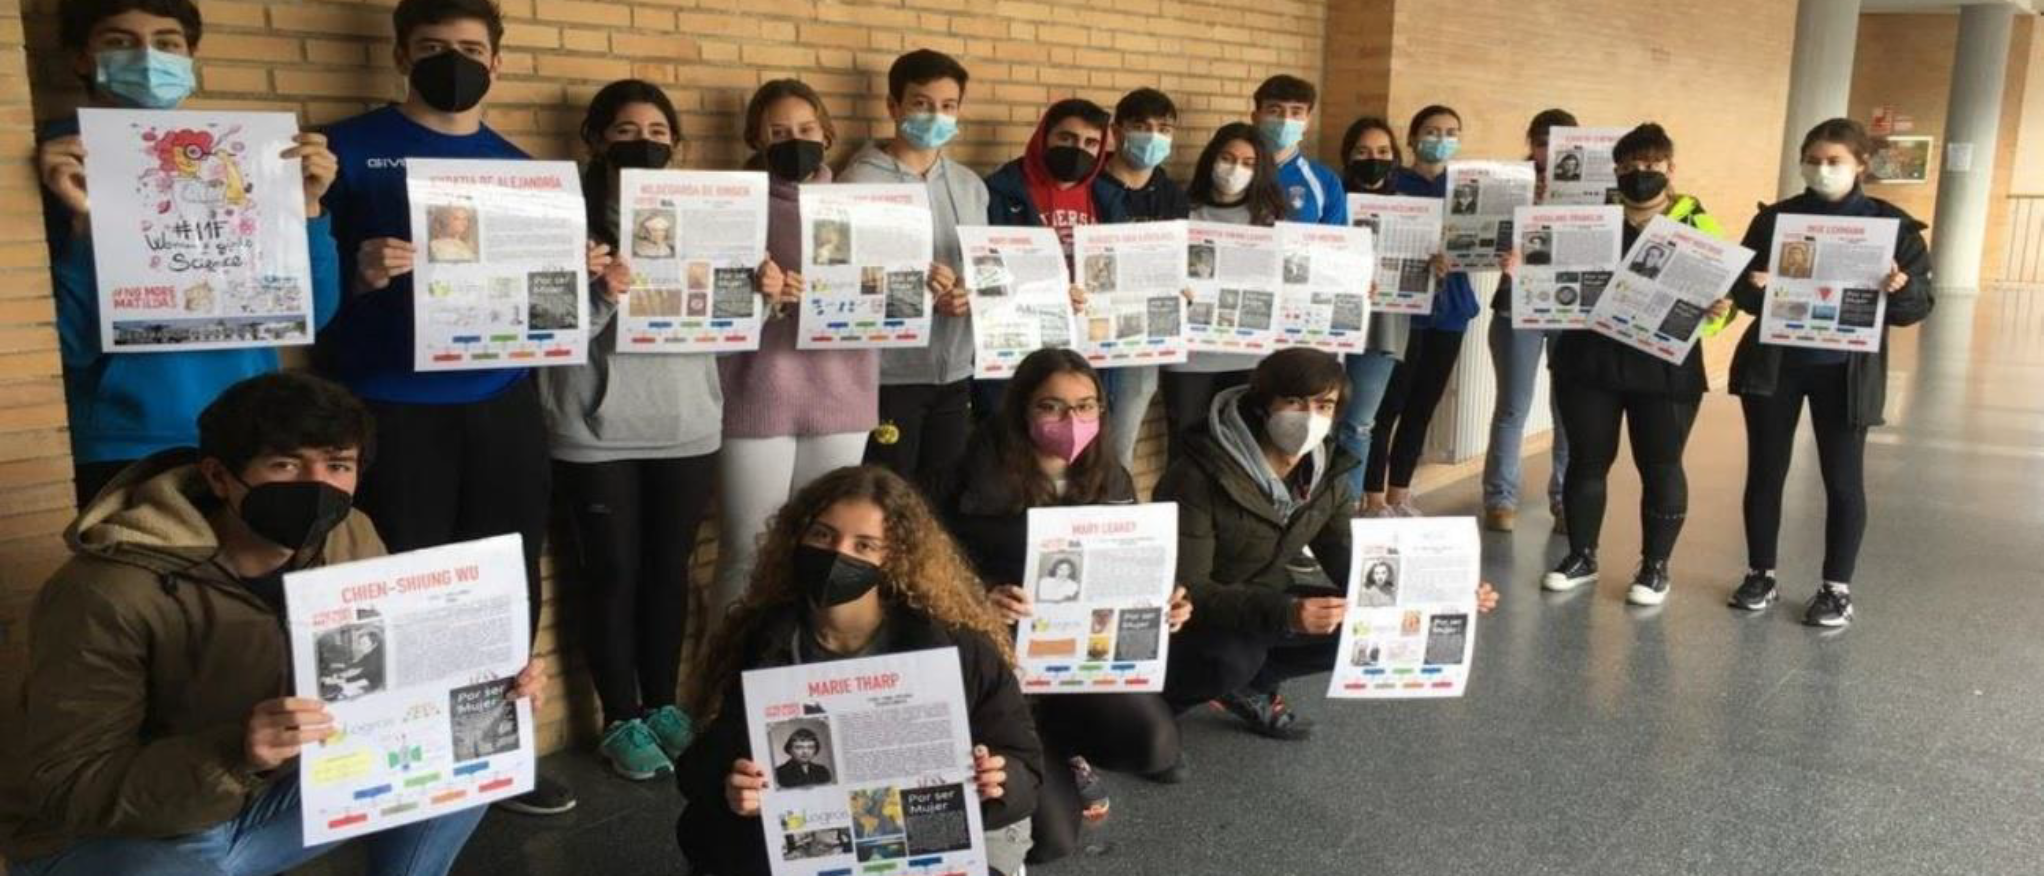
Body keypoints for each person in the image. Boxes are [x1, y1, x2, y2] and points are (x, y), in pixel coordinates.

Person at [0, 371, 547, 876]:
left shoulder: (351, 533)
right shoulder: (107, 591)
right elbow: (69, 786)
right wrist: (236, 752)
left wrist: (494, 688)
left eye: (338, 465)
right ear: (219, 476)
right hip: (115, 835)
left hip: (264, 793)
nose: (316, 486)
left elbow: (393, 683)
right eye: (285, 465)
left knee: (469, 751)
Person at [315, 0, 584, 816]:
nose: (453, 61)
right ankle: (398, 766)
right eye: (432, 47)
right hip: (387, 405)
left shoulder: (522, 171)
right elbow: (291, 287)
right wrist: (356, 272)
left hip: (501, 400)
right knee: (397, 587)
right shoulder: (344, 151)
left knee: (503, 584)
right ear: (402, 55)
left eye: (470, 48)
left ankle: (492, 757)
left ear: (496, 62)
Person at [542, 79, 778, 782]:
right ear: (595, 140)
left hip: (687, 422)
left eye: (655, 132)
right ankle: (620, 716)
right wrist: (601, 294)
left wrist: (762, 299)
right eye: (624, 131)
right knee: (611, 571)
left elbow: (727, 327)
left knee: (669, 569)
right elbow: (543, 331)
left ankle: (664, 704)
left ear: (675, 143)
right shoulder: (564, 220)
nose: (642, 143)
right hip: (594, 425)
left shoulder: (709, 217)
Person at [39, 0, 343, 506]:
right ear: (80, 57)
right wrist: (85, 229)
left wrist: (307, 208)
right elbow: (63, 344)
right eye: (118, 41)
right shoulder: (53, 167)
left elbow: (313, 311)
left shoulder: (240, 157)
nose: (147, 57)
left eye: (167, 43)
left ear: (190, 56)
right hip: (126, 441)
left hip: (247, 433)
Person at [676, 466, 1043, 876]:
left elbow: (1024, 763)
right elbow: (699, 766)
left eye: (864, 545)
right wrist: (731, 785)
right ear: (798, 536)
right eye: (823, 535)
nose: (838, 555)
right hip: (818, 837)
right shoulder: (763, 638)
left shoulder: (956, 645)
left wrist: (1002, 779)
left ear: (893, 557)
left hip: (949, 829)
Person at [933, 349, 1192, 865]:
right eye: (1051, 406)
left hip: (1076, 661)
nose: (1071, 421)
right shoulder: (967, 473)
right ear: (1021, 409)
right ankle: (1040, 744)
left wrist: (1168, 596)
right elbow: (928, 569)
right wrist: (980, 597)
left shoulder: (1109, 474)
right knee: (1051, 841)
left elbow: (1135, 557)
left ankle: (1066, 744)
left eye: (1085, 406)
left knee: (1156, 744)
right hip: (1000, 668)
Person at [1156, 348, 1498, 737]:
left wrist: (1445, 595)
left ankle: (1249, 686)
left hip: (1263, 599)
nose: (1309, 417)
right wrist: (1286, 613)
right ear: (1263, 404)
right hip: (1190, 619)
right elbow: (1192, 589)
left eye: (1324, 405)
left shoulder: (1326, 474)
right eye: (1294, 401)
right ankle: (1160, 706)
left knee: (1360, 622)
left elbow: (1352, 562)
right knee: (1234, 658)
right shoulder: (1198, 474)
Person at [1727, 117, 1933, 627]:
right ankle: (1760, 574)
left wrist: (1901, 287)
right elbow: (1741, 292)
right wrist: (1753, 285)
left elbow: (1918, 306)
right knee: (1765, 473)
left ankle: (1836, 588)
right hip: (1776, 366)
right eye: (1813, 160)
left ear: (1861, 164)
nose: (1822, 170)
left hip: (1844, 371)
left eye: (1834, 161)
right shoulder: (1775, 220)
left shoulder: (1893, 228)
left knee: (1843, 480)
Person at [1540, 123, 1731, 606]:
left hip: (1666, 367)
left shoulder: (1700, 227)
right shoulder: (1592, 222)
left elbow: (1722, 305)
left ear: (1670, 168)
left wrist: (1718, 312)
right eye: (1629, 166)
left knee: (1661, 465)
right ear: (1616, 171)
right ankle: (1581, 556)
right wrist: (1526, 271)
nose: (1641, 173)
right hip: (1589, 362)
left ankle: (1654, 567)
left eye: (1651, 164)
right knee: (1587, 461)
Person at [712, 79, 879, 620]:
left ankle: (804, 661)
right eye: (779, 132)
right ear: (756, 139)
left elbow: (885, 294)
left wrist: (922, 285)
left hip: (842, 395)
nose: (795, 140)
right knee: (748, 551)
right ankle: (727, 666)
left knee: (823, 551)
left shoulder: (868, 208)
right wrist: (760, 295)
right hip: (755, 393)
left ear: (826, 134)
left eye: (806, 128)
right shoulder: (731, 208)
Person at [842, 49, 987, 492]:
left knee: (941, 499)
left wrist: (974, 293)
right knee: (888, 497)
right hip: (889, 375)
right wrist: (911, 287)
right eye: (922, 104)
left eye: (947, 105)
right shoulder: (857, 184)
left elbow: (985, 266)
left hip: (956, 371)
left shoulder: (971, 186)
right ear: (894, 107)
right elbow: (840, 281)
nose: (935, 116)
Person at [975, 97, 1127, 418]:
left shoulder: (1109, 198)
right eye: (1066, 138)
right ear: (1044, 136)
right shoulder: (999, 192)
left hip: (1088, 350)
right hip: (1020, 348)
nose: (1077, 150)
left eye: (1090, 143)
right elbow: (986, 270)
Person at [1362, 105, 1474, 518]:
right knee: (1387, 406)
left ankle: (1401, 493)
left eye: (1450, 132)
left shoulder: (1466, 188)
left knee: (1422, 408)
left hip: (1450, 312)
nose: (1441, 139)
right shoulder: (1392, 183)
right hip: (1402, 314)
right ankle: (1373, 497)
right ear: (1411, 139)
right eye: (1431, 131)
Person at [1160, 123, 1290, 465]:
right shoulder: (1182, 211)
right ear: (1211, 159)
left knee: (1242, 452)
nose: (1235, 169)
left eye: (1248, 163)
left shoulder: (1273, 222)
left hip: (1250, 359)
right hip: (1188, 357)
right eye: (1228, 158)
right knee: (1186, 451)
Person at [1480, 109, 1577, 534]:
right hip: (1516, 306)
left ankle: (1565, 498)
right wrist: (1503, 254)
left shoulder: (1596, 192)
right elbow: (1476, 240)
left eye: (1559, 145)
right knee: (1512, 406)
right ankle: (1500, 499)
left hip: (1571, 309)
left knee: (1568, 409)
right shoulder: (1510, 186)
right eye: (1541, 143)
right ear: (1531, 144)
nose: (1549, 153)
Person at [1097, 88, 1194, 471]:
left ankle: (1114, 503)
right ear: (1117, 131)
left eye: (1164, 129)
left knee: (1120, 449)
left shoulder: (1172, 196)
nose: (1153, 136)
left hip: (1142, 340)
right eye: (1141, 126)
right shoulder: (1090, 185)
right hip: (1092, 330)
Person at [1332, 116, 1412, 510]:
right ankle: (1313, 507)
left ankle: (1345, 510)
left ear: (1394, 156)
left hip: (1383, 327)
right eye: (1363, 152)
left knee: (1359, 423)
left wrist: (1433, 268)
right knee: (1321, 420)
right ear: (1348, 157)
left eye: (1382, 152)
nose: (1373, 160)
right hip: (1331, 321)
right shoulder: (1332, 201)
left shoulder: (1411, 211)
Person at [1248, 75, 1347, 226]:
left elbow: (1335, 238)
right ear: (1256, 117)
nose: (1285, 120)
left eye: (1296, 113)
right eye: (1274, 111)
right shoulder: (1234, 171)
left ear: (1307, 121)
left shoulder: (1326, 181)